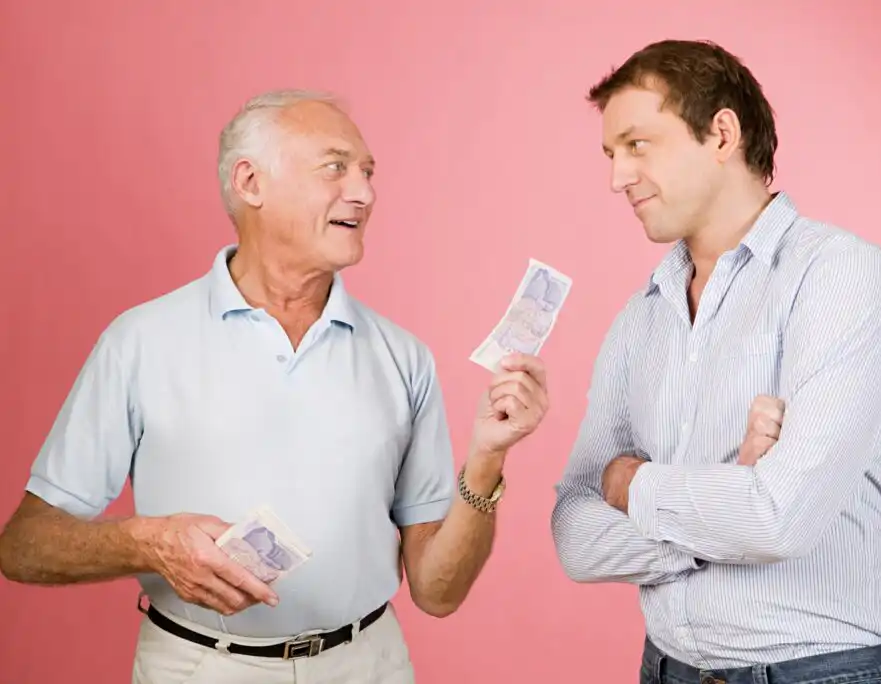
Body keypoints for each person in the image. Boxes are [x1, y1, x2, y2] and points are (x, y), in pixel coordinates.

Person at [0, 89, 550, 684]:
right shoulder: (138, 341)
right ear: (250, 182)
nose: (364, 192)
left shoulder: (403, 358)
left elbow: (438, 593)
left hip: (369, 666)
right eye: (335, 167)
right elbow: (24, 546)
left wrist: (488, 458)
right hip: (196, 669)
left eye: (367, 173)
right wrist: (145, 542)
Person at [551, 40, 881, 684]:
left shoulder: (839, 276)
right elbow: (575, 537)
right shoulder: (642, 318)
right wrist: (728, 497)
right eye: (611, 154)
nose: (617, 177)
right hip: (666, 670)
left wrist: (630, 485)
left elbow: (778, 519)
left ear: (721, 133)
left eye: (638, 144)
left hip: (817, 673)